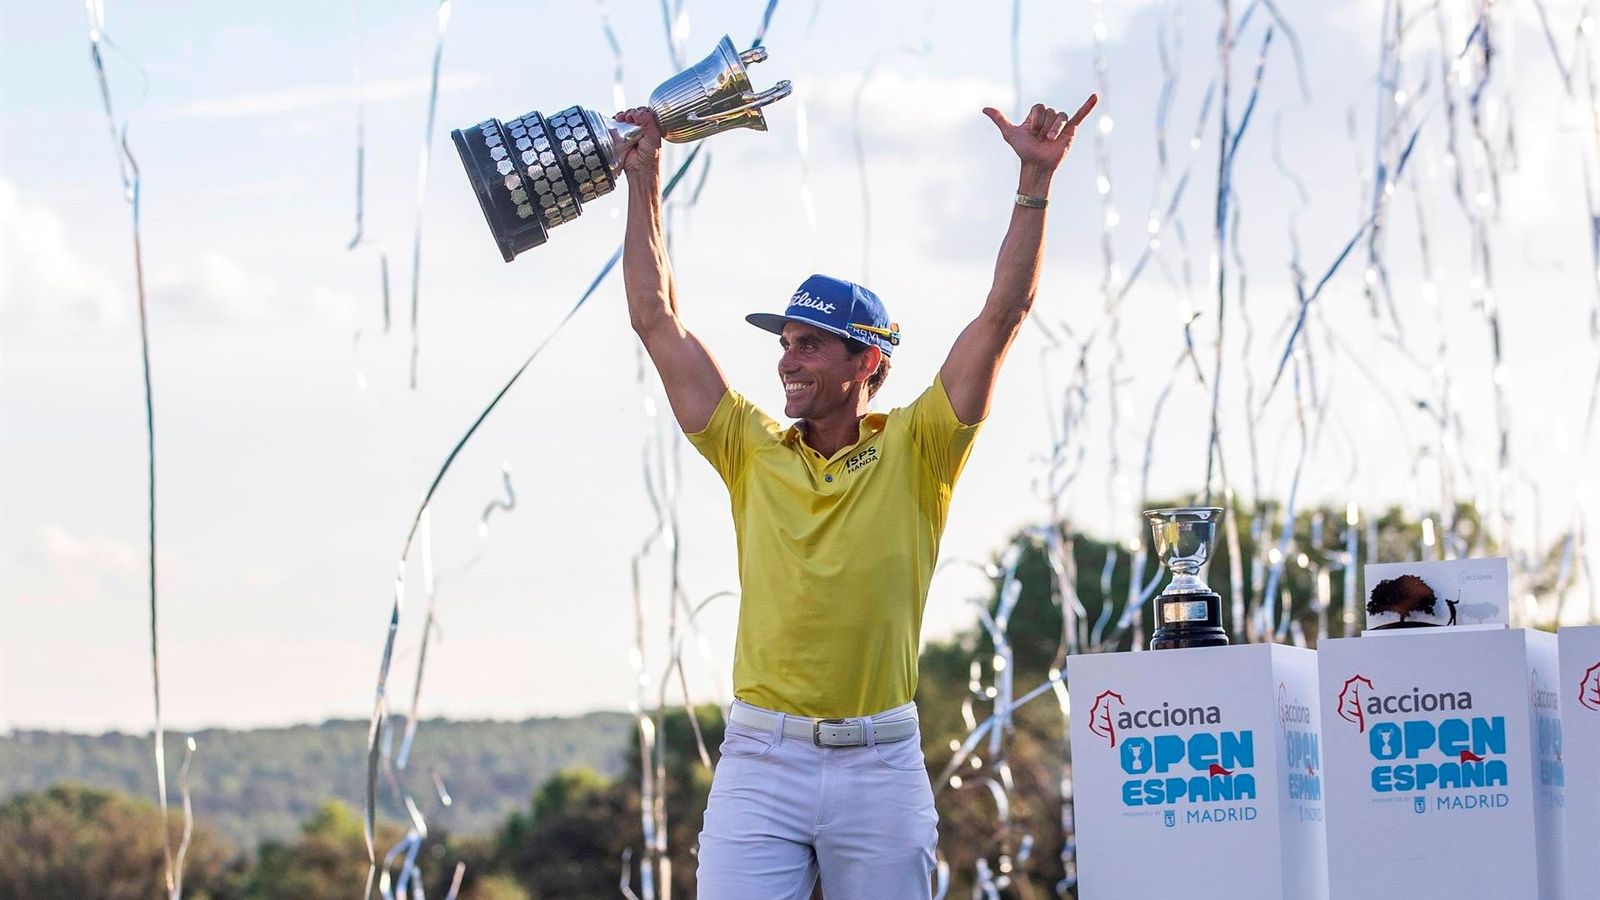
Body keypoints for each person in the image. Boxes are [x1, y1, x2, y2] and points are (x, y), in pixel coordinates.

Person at [613, 92, 1097, 900]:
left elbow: (1003, 313)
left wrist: (1033, 182)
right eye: (784, 345)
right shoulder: (749, 447)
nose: (786, 361)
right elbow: (656, 319)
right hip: (761, 762)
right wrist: (646, 178)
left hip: (880, 763)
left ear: (865, 361)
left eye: (809, 344)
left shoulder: (921, 444)